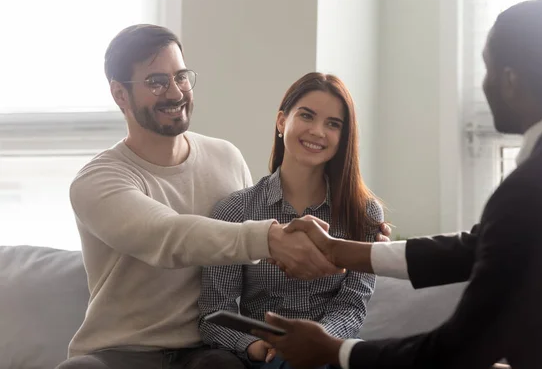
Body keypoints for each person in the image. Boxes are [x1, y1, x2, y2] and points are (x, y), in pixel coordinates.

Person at [256, 0, 542, 369]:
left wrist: (334, 351)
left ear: (511, 80)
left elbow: (460, 347)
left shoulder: (531, 187)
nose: (483, 85)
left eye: (486, 69)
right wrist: (340, 250)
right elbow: (473, 249)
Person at [55, 25, 345, 369]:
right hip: (121, 352)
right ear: (120, 94)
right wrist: (268, 238)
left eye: (180, 77)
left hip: (207, 349)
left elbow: (250, 252)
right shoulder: (98, 181)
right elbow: (167, 235)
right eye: (156, 82)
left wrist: (355, 232)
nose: (175, 92)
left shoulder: (225, 157)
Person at [198, 73, 385, 369]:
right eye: (307, 116)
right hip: (258, 357)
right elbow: (213, 314)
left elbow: (352, 306)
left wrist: (314, 344)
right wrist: (256, 346)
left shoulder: (364, 216)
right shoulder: (235, 211)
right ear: (282, 121)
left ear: (343, 138)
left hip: (326, 355)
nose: (317, 131)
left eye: (333, 124)